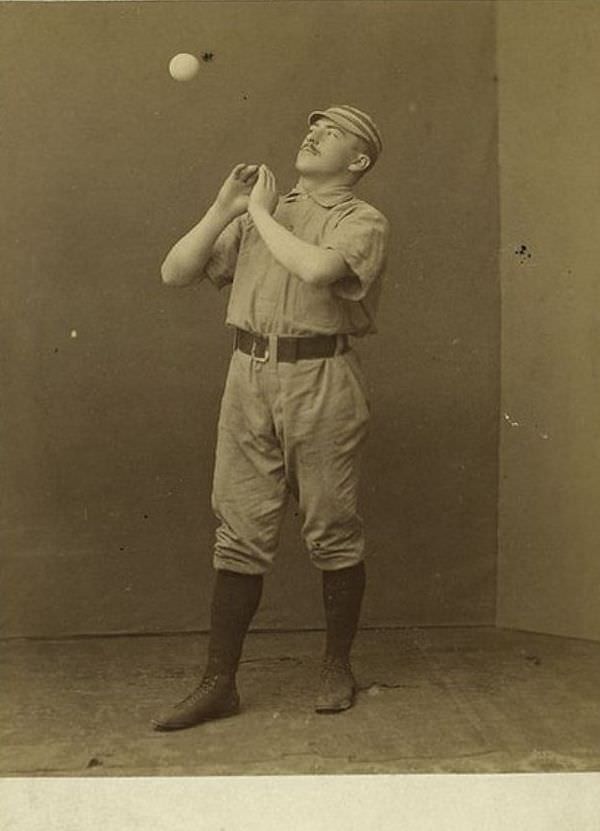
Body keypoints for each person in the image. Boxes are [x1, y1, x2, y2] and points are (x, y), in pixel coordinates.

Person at [152, 104, 389, 731]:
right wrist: (224, 207)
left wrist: (255, 211)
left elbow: (316, 268)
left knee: (331, 525)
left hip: (322, 378)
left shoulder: (360, 219)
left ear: (357, 161)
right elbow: (175, 271)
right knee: (238, 529)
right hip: (248, 376)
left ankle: (337, 665)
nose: (312, 134)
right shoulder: (268, 213)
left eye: (332, 132)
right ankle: (218, 683)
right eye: (312, 127)